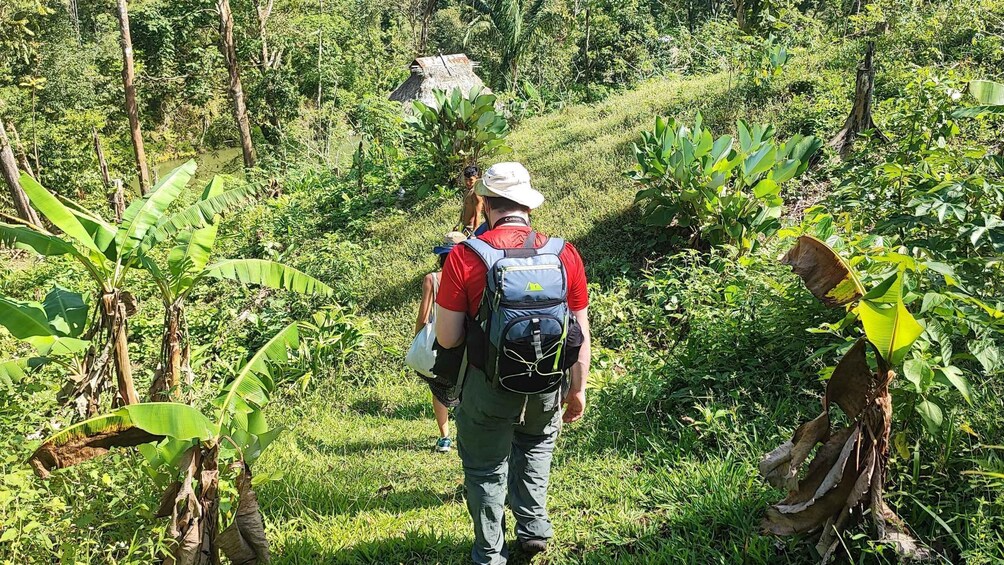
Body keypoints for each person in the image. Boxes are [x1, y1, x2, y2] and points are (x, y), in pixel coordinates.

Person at [435, 162, 591, 564]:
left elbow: (448, 337)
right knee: (537, 444)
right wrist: (577, 389)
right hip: (547, 380)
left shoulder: (466, 257)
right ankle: (534, 528)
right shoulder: (564, 254)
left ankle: (490, 552)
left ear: (485, 203)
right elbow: (579, 331)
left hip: (487, 386)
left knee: (486, 466)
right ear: (528, 206)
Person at [414, 231, 467, 453]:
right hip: (465, 339)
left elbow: (423, 316)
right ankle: (467, 434)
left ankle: (445, 437)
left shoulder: (432, 279)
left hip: (438, 340)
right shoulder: (469, 276)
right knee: (466, 386)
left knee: (438, 389)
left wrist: (417, 339)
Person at [457, 165, 484, 237]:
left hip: (471, 229)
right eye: (466, 180)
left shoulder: (476, 193)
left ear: (476, 178)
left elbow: (477, 214)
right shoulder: (467, 191)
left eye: (471, 180)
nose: (468, 183)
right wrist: (458, 224)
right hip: (464, 227)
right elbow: (464, 209)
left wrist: (475, 233)